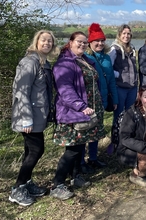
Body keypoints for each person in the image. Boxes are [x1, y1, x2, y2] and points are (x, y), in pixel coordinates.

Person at [50, 31, 106, 200]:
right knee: (72, 150)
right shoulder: (64, 63)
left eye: (85, 43)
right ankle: (57, 184)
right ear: (71, 42)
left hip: (87, 113)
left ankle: (75, 177)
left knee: (80, 146)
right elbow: (65, 90)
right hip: (74, 113)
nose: (82, 45)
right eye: (79, 42)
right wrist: (81, 107)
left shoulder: (84, 60)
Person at [10, 30, 58, 206]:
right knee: (37, 150)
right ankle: (17, 189)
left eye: (50, 41)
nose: (47, 43)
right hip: (29, 117)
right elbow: (21, 92)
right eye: (43, 40)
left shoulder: (43, 63)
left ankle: (27, 183)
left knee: (31, 151)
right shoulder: (29, 62)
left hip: (39, 115)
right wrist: (26, 119)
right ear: (36, 42)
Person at [81, 23, 118, 173]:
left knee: (96, 130)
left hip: (102, 100)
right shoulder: (85, 58)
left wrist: (114, 100)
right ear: (90, 42)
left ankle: (94, 158)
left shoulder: (107, 59)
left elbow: (111, 82)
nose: (100, 43)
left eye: (102, 40)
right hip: (88, 101)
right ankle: (81, 161)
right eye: (97, 40)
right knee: (84, 131)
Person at [108, 24, 138, 124]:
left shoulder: (132, 49)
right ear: (119, 34)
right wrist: (119, 75)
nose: (126, 36)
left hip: (132, 88)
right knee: (119, 114)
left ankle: (126, 137)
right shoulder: (114, 49)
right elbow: (108, 68)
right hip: (120, 87)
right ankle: (116, 138)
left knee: (130, 114)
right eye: (124, 33)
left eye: (128, 34)